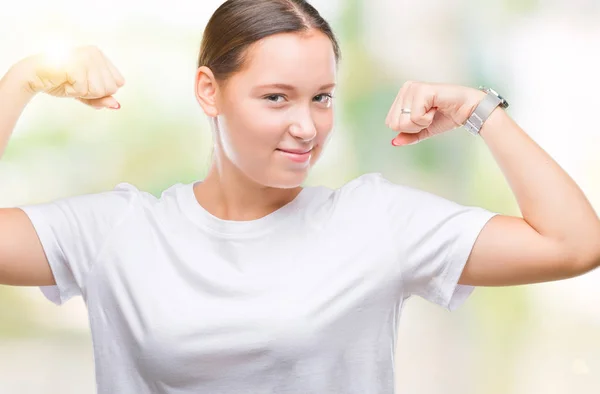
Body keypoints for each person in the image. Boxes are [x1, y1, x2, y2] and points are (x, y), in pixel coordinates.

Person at [0, 0, 598, 392]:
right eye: (277, 97)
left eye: (322, 97)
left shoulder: (376, 221)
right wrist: (23, 78)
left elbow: (572, 244)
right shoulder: (117, 232)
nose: (307, 126)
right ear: (209, 91)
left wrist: (479, 111)